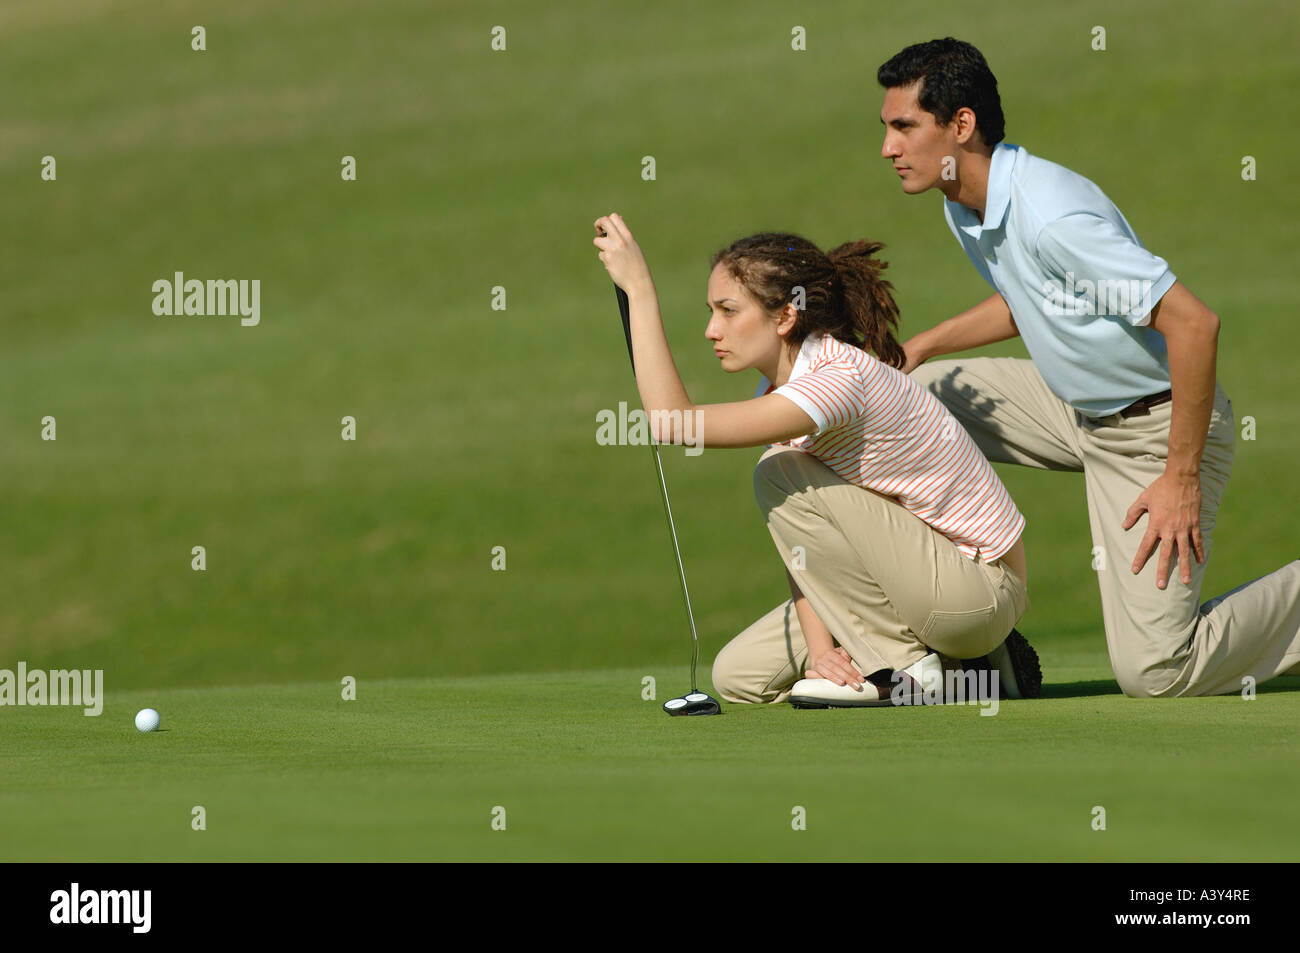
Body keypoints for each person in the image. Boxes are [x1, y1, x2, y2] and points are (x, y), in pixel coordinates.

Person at [876, 38, 1300, 697]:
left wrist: (1178, 476)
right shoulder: (963, 200)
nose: (888, 148)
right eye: (887, 129)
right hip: (1073, 409)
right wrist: (923, 346)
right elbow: (1030, 300)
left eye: (904, 127)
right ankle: (942, 637)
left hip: (1157, 431)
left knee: (1157, 672)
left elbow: (1194, 324)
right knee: (899, 403)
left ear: (961, 125)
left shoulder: (1050, 215)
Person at [592, 213, 1042, 707]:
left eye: (727, 311)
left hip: (979, 593)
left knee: (778, 473)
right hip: (911, 583)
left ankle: (909, 669)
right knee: (738, 677)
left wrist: (640, 291)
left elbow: (674, 424)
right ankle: (967, 674)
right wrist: (820, 653)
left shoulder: (835, 380)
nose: (710, 330)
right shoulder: (778, 386)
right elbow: (809, 543)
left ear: (785, 316)